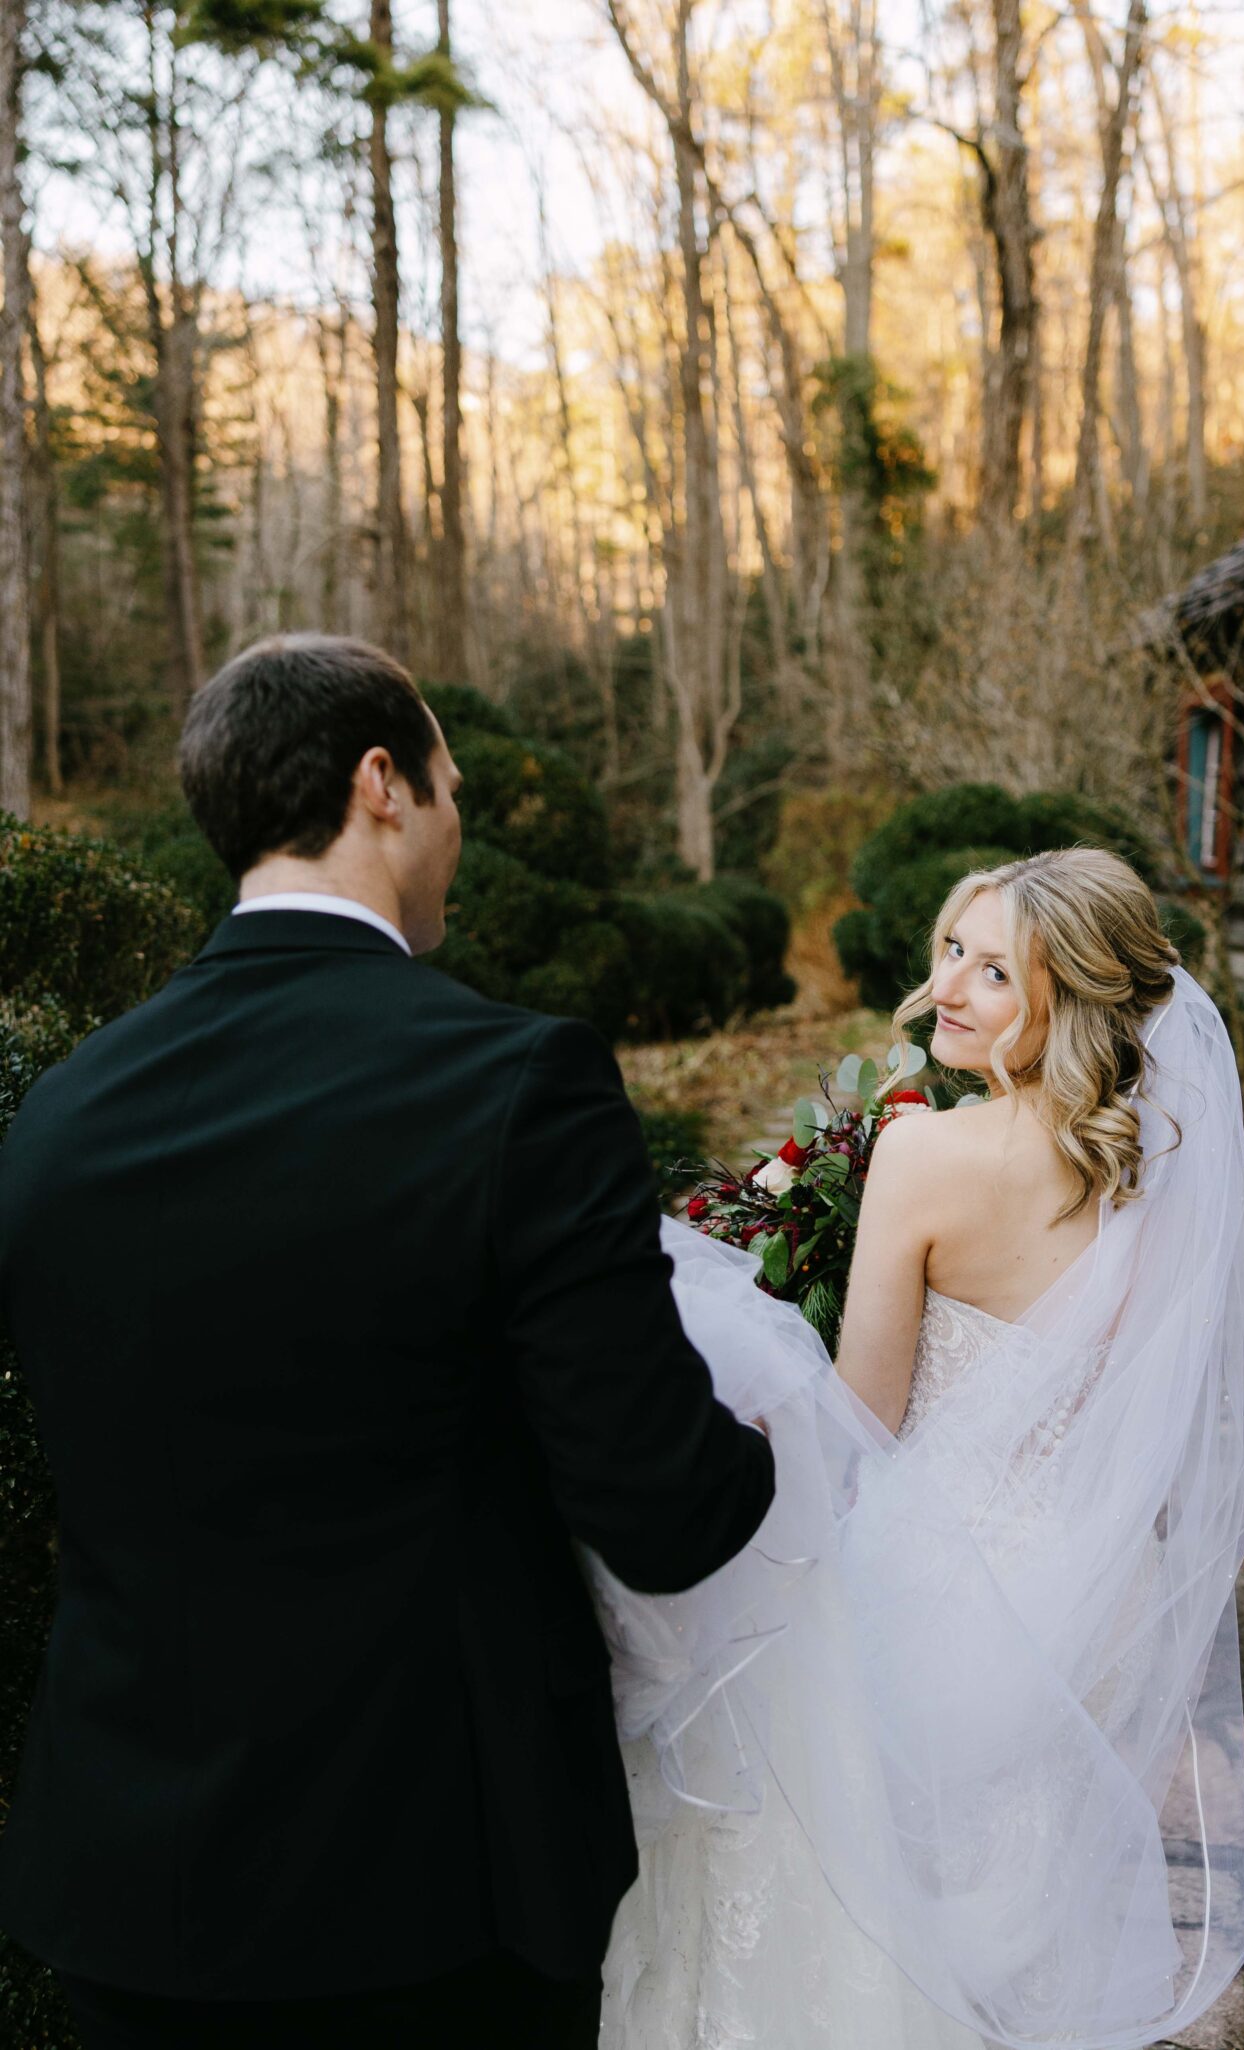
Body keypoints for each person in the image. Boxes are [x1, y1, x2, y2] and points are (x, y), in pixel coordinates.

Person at [0, 634, 774, 2050]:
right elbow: (661, 1507)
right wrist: (758, 1444)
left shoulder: (60, 1111)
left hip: (127, 1883)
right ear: (383, 785)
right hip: (431, 1897)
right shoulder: (516, 1080)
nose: (461, 825)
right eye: (453, 786)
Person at [597, 848, 1244, 2049]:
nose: (950, 986)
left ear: (1066, 995)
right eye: (951, 949)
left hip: (924, 1570)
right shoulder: (1159, 1166)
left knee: (869, 1883)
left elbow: (862, 1411)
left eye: (994, 969)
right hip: (1090, 1581)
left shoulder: (920, 1153)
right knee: (1018, 1902)